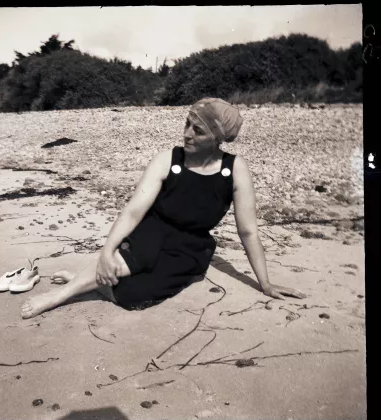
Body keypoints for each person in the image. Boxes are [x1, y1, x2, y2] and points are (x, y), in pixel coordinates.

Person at [21, 97, 305, 319]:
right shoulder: (168, 159)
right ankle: (63, 293)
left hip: (191, 246)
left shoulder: (235, 169)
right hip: (153, 229)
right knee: (126, 260)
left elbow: (248, 231)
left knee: (133, 298)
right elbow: (133, 211)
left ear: (218, 139)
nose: (187, 134)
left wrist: (265, 283)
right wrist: (107, 251)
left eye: (199, 131)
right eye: (187, 124)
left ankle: (92, 279)